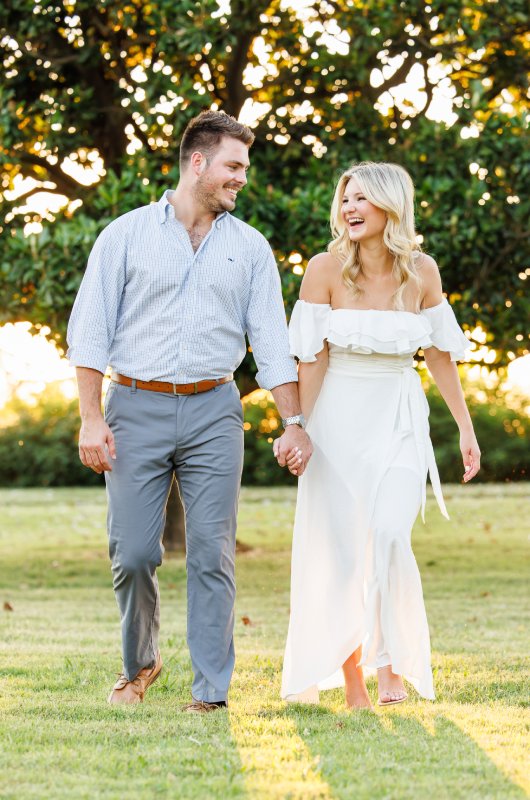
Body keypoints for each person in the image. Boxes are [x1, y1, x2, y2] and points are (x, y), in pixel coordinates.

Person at [67, 110, 312, 712]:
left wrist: (294, 422)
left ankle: (211, 693)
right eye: (233, 166)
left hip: (215, 411)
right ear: (197, 162)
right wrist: (91, 416)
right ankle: (139, 665)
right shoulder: (124, 235)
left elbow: (272, 343)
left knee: (212, 552)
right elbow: (90, 330)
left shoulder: (251, 248)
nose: (241, 180)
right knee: (132, 553)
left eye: (245, 169)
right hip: (134, 407)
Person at [277, 161, 480, 709]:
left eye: (362, 198)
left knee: (390, 534)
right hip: (336, 420)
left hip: (398, 414)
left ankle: (388, 660)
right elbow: (311, 359)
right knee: (343, 552)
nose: (350, 208)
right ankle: (352, 678)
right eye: (345, 199)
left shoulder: (422, 271)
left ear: (391, 205)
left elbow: (438, 354)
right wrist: (297, 428)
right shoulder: (322, 270)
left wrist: (465, 427)